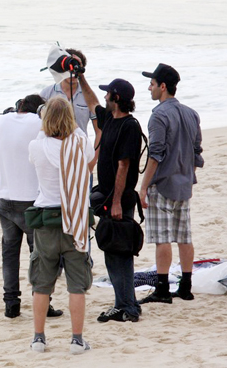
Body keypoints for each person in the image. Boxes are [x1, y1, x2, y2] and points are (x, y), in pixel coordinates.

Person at [27, 97, 94, 354]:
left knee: (41, 283)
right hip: (75, 219)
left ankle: (39, 339)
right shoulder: (80, 143)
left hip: (46, 219)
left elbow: (40, 142)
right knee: (76, 284)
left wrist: (45, 122)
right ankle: (77, 340)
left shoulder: (37, 146)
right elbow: (79, 141)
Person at [138, 64, 204, 304]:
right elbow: (197, 152)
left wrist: (143, 187)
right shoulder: (191, 113)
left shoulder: (159, 115)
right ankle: (186, 287)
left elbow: (155, 155)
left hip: (163, 185)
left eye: (152, 84)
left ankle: (163, 289)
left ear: (163, 86)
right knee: (184, 236)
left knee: (162, 238)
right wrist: (188, 174)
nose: (149, 88)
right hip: (184, 184)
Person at [0, 94, 63, 319]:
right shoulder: (38, 123)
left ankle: (11, 303)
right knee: (40, 256)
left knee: (9, 253)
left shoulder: (1, 122)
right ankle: (43, 301)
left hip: (4, 198)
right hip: (32, 202)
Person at [87, 79, 142, 322]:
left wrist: (117, 201)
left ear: (116, 98)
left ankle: (126, 307)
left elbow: (124, 165)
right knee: (113, 250)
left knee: (119, 251)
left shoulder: (129, 126)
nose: (105, 97)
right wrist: (79, 77)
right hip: (108, 196)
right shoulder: (109, 118)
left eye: (108, 93)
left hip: (119, 198)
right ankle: (127, 304)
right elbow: (91, 103)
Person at [40, 48, 98, 136]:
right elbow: (38, 125)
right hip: (54, 147)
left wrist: (94, 150)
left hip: (80, 146)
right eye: (69, 69)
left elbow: (99, 130)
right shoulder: (47, 93)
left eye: (77, 68)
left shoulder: (88, 96)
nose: (74, 73)